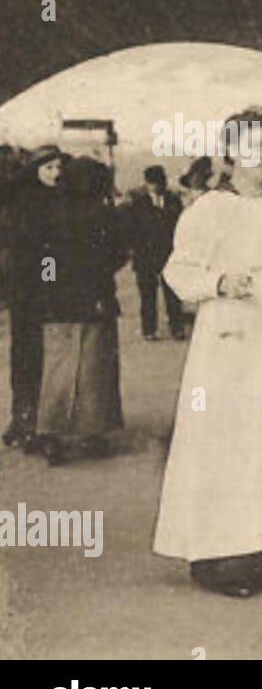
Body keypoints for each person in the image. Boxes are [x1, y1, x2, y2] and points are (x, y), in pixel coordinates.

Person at [154, 106, 262, 598]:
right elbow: (178, 272)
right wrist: (219, 281)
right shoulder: (208, 209)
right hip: (229, 336)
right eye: (254, 145)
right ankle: (225, 556)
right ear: (230, 153)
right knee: (231, 436)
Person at [28, 156, 128, 464]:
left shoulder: (48, 212)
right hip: (94, 299)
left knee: (57, 366)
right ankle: (90, 433)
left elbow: (44, 258)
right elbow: (116, 257)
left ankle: (50, 433)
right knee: (94, 368)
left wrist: (49, 286)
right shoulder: (103, 214)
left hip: (57, 302)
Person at [1, 145, 60, 449]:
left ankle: (28, 419)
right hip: (29, 291)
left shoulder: (25, 202)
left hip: (26, 290)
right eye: (49, 168)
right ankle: (24, 418)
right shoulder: (38, 203)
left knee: (29, 355)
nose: (56, 173)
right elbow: (46, 254)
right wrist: (48, 282)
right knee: (27, 355)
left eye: (58, 168)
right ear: (36, 170)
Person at [127, 165, 185, 341]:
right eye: (154, 183)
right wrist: (135, 250)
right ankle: (149, 330)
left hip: (168, 255)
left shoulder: (173, 201)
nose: (158, 186)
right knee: (147, 296)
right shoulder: (138, 203)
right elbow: (132, 230)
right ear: (147, 184)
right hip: (145, 257)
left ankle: (177, 328)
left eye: (161, 182)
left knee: (173, 295)